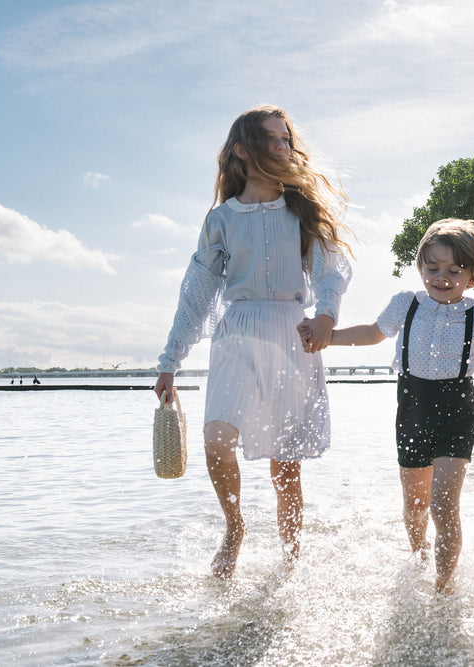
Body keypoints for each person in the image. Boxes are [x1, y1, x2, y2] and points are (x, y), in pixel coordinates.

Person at [154, 105, 352, 579]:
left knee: (286, 465)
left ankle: (291, 561)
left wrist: (326, 315)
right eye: (273, 139)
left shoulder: (302, 209)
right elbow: (196, 294)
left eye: (287, 139)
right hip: (237, 333)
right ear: (243, 149)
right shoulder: (220, 219)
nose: (284, 146)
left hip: (291, 333)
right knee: (215, 441)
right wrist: (169, 361)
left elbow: (331, 268)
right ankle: (235, 528)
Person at [300, 218, 474, 593]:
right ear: (420, 268)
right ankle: (419, 559)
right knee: (415, 505)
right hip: (411, 411)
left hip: (457, 413)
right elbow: (371, 333)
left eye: (454, 270)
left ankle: (443, 589)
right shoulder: (405, 305)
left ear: (473, 275)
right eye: (433, 268)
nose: (442, 278)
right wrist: (326, 337)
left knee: (443, 505)